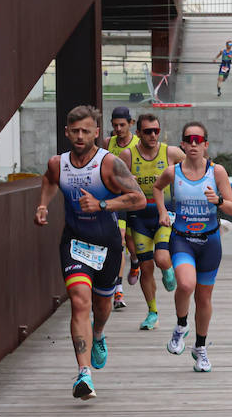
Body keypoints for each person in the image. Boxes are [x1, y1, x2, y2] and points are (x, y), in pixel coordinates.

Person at [34, 105, 146, 400]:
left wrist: (103, 205)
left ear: (97, 132)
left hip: (108, 245)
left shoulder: (108, 164)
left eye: (86, 131)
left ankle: (98, 334)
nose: (80, 136)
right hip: (75, 243)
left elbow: (138, 198)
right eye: (75, 131)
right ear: (66, 132)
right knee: (79, 302)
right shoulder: (58, 164)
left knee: (102, 307)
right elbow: (48, 180)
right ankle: (84, 375)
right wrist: (43, 204)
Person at [153, 122, 232, 372]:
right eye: (188, 140)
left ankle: (200, 347)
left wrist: (218, 200)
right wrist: (162, 212)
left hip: (210, 242)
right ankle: (181, 326)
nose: (193, 144)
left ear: (205, 145)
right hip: (183, 239)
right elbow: (157, 188)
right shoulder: (173, 172)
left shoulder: (217, 172)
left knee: (204, 297)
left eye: (198, 140)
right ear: (182, 144)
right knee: (186, 284)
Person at [125, 113, 184, 329]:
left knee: (161, 258)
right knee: (146, 267)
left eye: (156, 131)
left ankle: (168, 269)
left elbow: (195, 169)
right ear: (138, 133)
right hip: (138, 217)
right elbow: (113, 180)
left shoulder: (171, 152)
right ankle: (153, 313)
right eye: (147, 131)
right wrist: (125, 182)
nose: (152, 135)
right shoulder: (127, 155)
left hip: (164, 213)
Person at [106, 107, 140, 310]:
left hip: (132, 197)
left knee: (130, 240)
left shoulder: (137, 144)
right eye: (115, 125)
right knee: (119, 240)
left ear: (131, 123)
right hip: (114, 198)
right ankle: (118, 290)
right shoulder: (108, 143)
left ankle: (135, 263)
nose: (118, 129)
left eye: (122, 125)